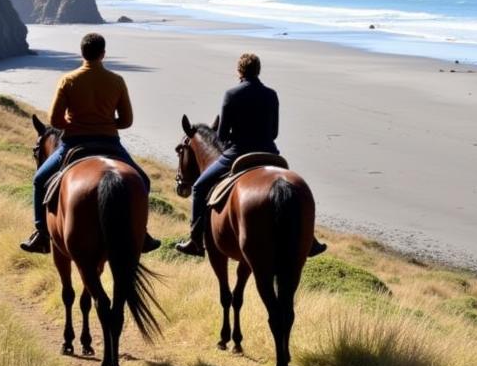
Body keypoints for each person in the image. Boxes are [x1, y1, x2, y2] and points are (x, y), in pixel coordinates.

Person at [20, 33, 160, 255]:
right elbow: (126, 121)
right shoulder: (116, 81)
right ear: (103, 54)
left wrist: (78, 123)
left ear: (82, 53)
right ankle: (142, 233)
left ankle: (41, 234)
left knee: (39, 180)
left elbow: (55, 121)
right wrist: (104, 122)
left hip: (73, 143)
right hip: (110, 144)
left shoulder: (68, 80)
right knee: (142, 180)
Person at [175, 52, 324, 258]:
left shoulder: (231, 94)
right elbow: (274, 132)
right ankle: (311, 241)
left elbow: (221, 135)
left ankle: (195, 239)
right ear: (258, 70)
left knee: (200, 187)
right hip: (269, 152)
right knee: (293, 189)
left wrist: (231, 140)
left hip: (237, 153)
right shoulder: (271, 94)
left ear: (239, 71)